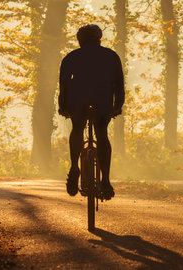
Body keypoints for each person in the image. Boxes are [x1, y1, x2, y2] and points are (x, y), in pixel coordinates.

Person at [58, 24, 124, 200]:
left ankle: (74, 167)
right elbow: (119, 83)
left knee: (77, 128)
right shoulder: (111, 56)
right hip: (102, 100)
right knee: (102, 134)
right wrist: (118, 105)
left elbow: (64, 85)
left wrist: (63, 106)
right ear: (99, 39)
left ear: (79, 41)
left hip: (77, 99)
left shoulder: (71, 57)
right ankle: (106, 181)